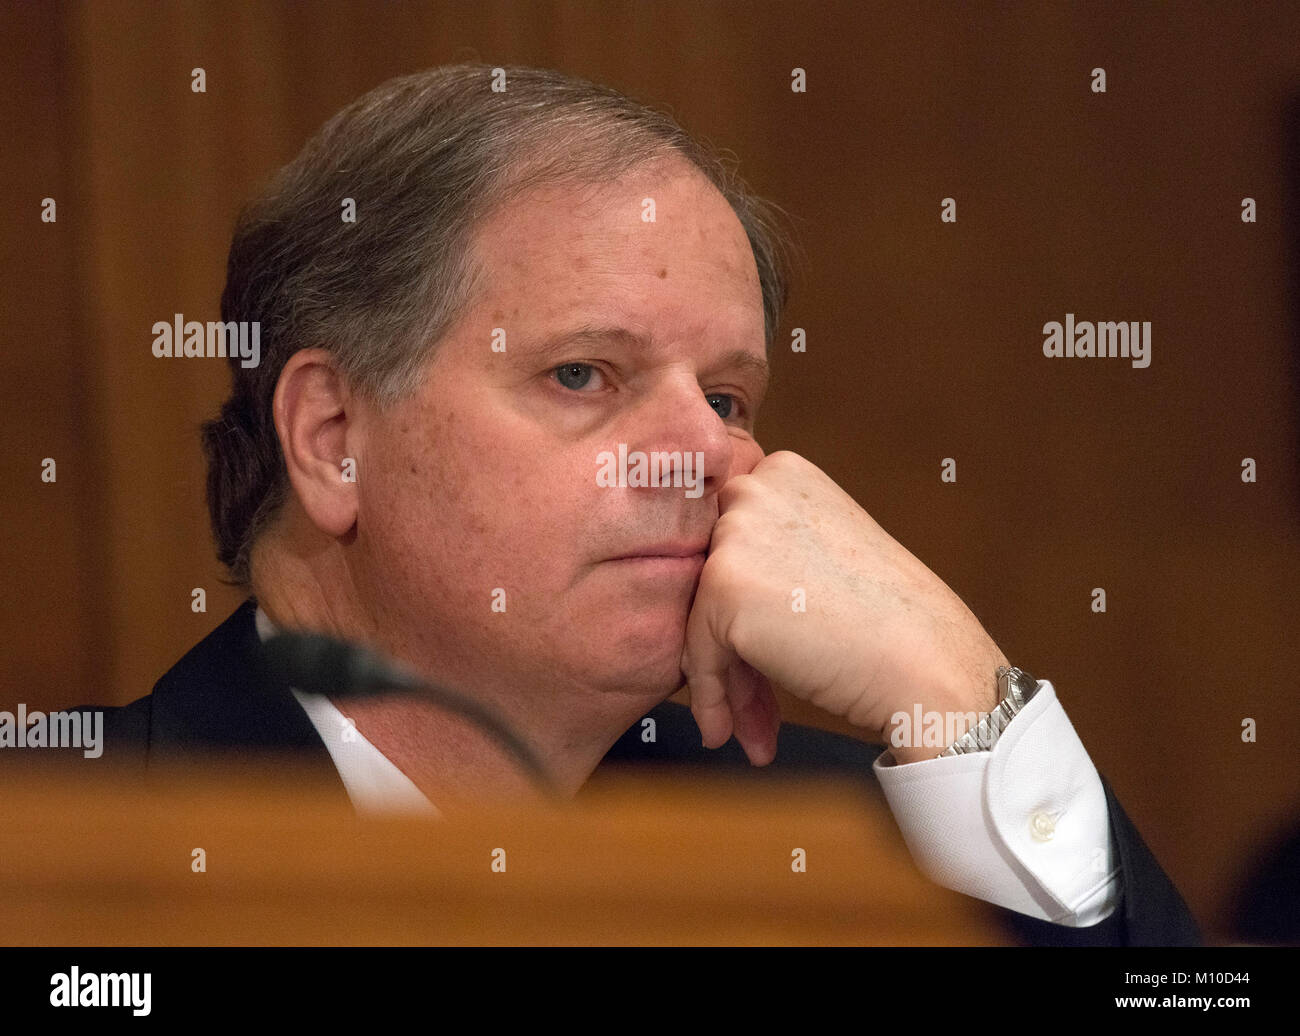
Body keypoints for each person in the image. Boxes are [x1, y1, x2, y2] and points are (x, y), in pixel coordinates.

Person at [80, 64, 1199, 945]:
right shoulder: (65, 854)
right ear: (332, 439)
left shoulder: (855, 844)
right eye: (583, 374)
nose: (705, 454)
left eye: (726, 396)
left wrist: (960, 696)